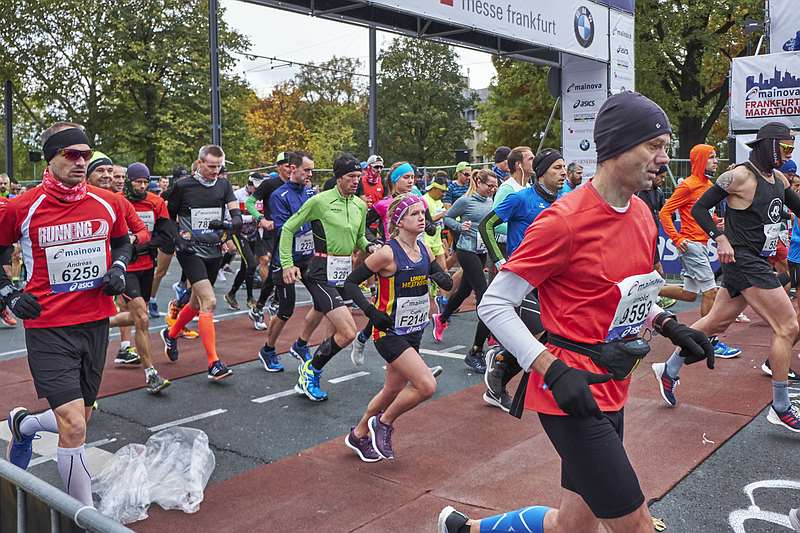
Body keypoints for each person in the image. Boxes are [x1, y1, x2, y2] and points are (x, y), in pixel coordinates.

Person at [439, 91, 713, 533]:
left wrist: (669, 324)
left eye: (665, 148)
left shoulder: (642, 214)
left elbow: (630, 295)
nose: (664, 159)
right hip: (569, 393)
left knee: (574, 525)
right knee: (636, 526)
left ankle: (469, 530)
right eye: (655, 147)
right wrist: (550, 369)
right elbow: (494, 304)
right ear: (618, 146)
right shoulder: (563, 221)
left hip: (613, 385)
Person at [1, 121, 133, 505]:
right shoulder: (22, 207)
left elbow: (123, 244)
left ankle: (23, 425)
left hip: (94, 322)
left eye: (86, 155)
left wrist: (119, 270)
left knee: (81, 418)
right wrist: (9, 293)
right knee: (74, 426)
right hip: (48, 327)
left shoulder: (107, 201)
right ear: (52, 158)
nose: (81, 162)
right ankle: (84, 516)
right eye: (71, 155)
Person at [654, 122, 800, 432]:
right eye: (784, 148)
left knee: (715, 323)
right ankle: (781, 406)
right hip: (745, 261)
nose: (787, 155)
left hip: (752, 261)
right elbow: (700, 209)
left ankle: (668, 369)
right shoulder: (739, 176)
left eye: (791, 149)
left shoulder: (776, 180)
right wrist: (719, 237)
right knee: (787, 326)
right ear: (768, 144)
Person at [343, 194, 452, 462]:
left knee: (392, 389)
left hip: (413, 330)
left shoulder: (425, 249)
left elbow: (444, 280)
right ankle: (384, 423)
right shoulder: (387, 253)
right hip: (388, 332)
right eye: (414, 213)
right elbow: (350, 283)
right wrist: (370, 312)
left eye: (422, 213)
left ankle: (358, 435)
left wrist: (442, 277)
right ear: (400, 221)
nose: (421, 217)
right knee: (426, 385)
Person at [279, 153, 377, 401]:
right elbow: (289, 227)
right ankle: (310, 370)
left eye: (359, 177)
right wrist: (288, 264)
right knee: (348, 332)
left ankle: (312, 370)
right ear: (338, 177)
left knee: (333, 332)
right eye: (351, 177)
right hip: (320, 271)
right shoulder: (320, 201)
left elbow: (359, 238)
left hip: (345, 270)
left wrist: (370, 247)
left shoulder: (359, 205)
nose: (357, 181)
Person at [479, 148, 565, 410]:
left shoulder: (564, 201)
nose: (563, 173)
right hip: (522, 279)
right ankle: (503, 367)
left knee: (553, 336)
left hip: (550, 281)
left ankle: (501, 364)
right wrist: (500, 260)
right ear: (540, 173)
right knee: (542, 334)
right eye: (557, 168)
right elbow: (487, 225)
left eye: (564, 167)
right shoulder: (520, 199)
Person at [160, 144, 241, 381]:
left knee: (196, 304)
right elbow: (167, 219)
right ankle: (214, 363)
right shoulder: (183, 186)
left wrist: (232, 224)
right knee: (209, 301)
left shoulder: (224, 185)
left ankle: (171, 333)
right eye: (211, 166)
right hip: (190, 250)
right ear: (199, 164)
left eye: (219, 166)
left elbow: (234, 213)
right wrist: (177, 239)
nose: (216, 171)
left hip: (213, 249)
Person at [658, 144, 741, 358]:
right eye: (711, 157)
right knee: (711, 291)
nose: (715, 161)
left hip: (702, 244)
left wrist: (715, 222)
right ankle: (710, 342)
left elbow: (703, 213)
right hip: (691, 245)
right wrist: (676, 238)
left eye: (716, 157)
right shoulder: (688, 185)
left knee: (689, 294)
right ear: (701, 160)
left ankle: (649, 291)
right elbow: (665, 213)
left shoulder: (709, 185)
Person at [107, 163, 172, 393]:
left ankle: (102, 323)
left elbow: (166, 234)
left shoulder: (156, 202)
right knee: (142, 318)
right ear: (128, 182)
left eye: (145, 182)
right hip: (127, 268)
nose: (142, 186)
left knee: (137, 315)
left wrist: (145, 245)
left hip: (147, 265)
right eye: (137, 182)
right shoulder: (116, 201)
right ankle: (151, 373)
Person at [256, 152, 320, 373]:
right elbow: (284, 229)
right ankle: (268, 349)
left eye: (312, 170)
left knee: (324, 300)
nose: (310, 174)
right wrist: (286, 263)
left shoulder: (311, 193)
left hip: (308, 256)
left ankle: (301, 344)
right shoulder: (279, 195)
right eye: (307, 170)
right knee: (286, 309)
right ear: (293, 169)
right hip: (284, 260)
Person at [86, 153, 150, 366]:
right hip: (84, 269)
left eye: (110, 172)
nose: (109, 176)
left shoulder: (118, 202)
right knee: (131, 313)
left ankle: (142, 367)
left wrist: (129, 240)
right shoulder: (78, 201)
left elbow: (142, 231)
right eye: (101, 171)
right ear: (87, 176)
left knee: (137, 315)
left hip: (118, 268)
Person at [432, 168, 498, 373]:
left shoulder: (491, 202)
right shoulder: (465, 201)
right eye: (489, 185)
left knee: (463, 292)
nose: (492, 188)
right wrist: (461, 227)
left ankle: (441, 318)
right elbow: (448, 219)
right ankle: (479, 346)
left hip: (481, 251)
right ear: (478, 182)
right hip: (466, 250)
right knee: (483, 293)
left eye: (495, 186)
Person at [245, 152, 292, 330]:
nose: (290, 169)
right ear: (278, 166)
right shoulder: (269, 184)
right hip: (271, 233)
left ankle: (268, 304)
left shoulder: (297, 185)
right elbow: (250, 202)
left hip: (289, 234)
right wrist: (261, 219)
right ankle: (262, 307)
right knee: (274, 269)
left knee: (283, 272)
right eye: (286, 165)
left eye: (292, 166)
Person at [147, 166, 189, 319]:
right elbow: (156, 208)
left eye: (186, 177)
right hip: (170, 234)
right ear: (175, 180)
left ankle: (185, 303)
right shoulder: (169, 193)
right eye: (181, 178)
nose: (184, 180)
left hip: (186, 234)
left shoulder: (192, 192)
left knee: (192, 270)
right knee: (161, 271)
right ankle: (151, 299)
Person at [225, 172, 269, 310]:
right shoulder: (237, 195)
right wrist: (254, 218)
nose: (256, 190)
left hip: (254, 234)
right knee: (250, 264)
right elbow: (231, 217)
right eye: (254, 187)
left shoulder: (261, 197)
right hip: (239, 234)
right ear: (249, 184)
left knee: (248, 267)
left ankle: (231, 293)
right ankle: (250, 297)